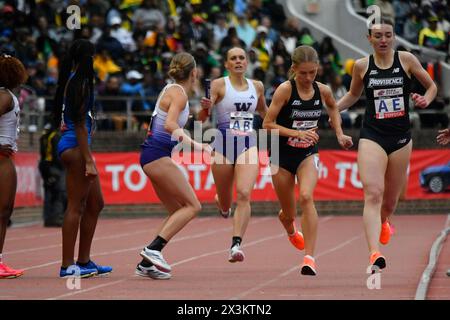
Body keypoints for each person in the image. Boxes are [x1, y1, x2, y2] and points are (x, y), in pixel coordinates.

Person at [335, 19, 437, 271]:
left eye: (388, 35)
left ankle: (385, 220)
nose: (383, 40)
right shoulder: (361, 66)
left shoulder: (407, 60)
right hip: (372, 135)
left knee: (389, 203)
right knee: (373, 193)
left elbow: (432, 86)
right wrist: (331, 108)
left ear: (393, 37)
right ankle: (374, 253)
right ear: (369, 38)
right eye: (378, 36)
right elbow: (353, 95)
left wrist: (425, 99)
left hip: (401, 138)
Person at [263, 45, 353, 276]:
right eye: (303, 73)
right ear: (293, 69)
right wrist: (296, 133)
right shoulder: (285, 90)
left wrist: (340, 133)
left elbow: (333, 108)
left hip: (307, 153)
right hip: (280, 155)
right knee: (289, 213)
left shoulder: (322, 90)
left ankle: (309, 258)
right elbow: (267, 124)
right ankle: (290, 229)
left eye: (312, 72)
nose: (308, 77)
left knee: (306, 196)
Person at [136, 52, 211, 280]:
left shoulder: (173, 91)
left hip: (152, 155)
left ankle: (145, 264)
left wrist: (205, 110)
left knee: (176, 211)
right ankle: (153, 250)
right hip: (157, 155)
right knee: (193, 206)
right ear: (194, 73)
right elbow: (169, 125)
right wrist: (198, 146)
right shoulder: (178, 94)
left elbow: (190, 122)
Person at [198, 47, 268, 263]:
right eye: (233, 59)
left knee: (245, 193)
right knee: (227, 203)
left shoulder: (257, 86)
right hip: (222, 146)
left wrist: (281, 130)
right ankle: (222, 202)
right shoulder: (219, 85)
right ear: (227, 64)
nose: (238, 61)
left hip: (249, 144)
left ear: (246, 63)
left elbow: (265, 113)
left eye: (241, 58)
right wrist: (205, 108)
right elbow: (201, 119)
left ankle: (236, 244)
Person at [54, 39, 113, 278]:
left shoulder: (76, 80)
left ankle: (84, 261)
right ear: (89, 57)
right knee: (76, 206)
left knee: (96, 203)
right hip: (76, 148)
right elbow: (78, 123)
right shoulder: (79, 81)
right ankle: (67, 266)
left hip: (77, 146)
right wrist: (89, 159)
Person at [0, 54, 28, 279]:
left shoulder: (6, 95)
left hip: (4, 155)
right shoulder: (4, 96)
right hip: (1, 157)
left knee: (4, 212)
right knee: (3, 211)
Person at [39, 123, 67, 227]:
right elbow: (57, 154)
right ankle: (57, 217)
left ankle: (47, 218)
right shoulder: (56, 136)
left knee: (48, 192)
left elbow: (42, 152)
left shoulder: (43, 136)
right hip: (55, 167)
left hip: (44, 166)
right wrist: (63, 165)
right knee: (59, 193)